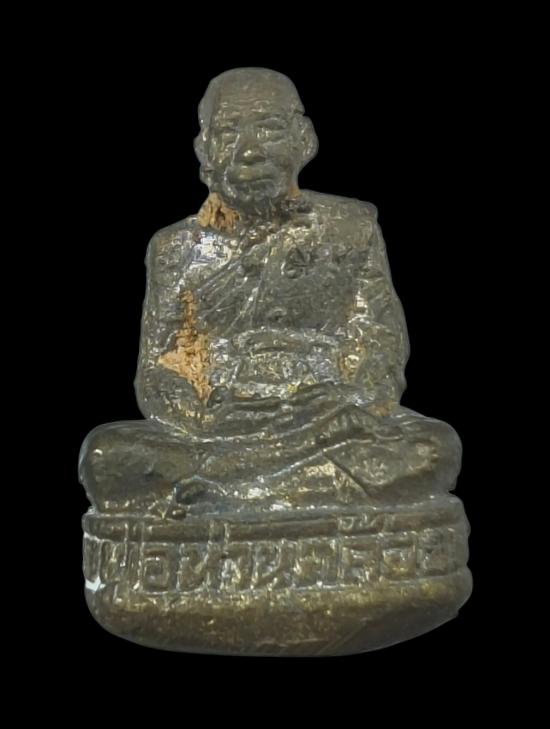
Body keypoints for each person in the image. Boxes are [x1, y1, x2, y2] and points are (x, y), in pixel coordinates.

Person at [79, 68, 461, 519]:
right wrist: (206, 417)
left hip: (328, 421)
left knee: (432, 449)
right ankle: (288, 485)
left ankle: (223, 492)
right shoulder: (176, 250)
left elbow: (379, 340)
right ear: (205, 149)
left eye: (268, 129)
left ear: (304, 140)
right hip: (223, 427)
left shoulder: (350, 228)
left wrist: (346, 402)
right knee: (106, 457)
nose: (249, 150)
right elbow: (159, 371)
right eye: (228, 132)